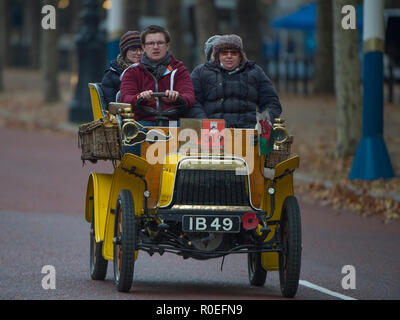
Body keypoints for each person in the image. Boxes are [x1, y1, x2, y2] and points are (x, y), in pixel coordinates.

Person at [188, 34, 282, 128]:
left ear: (240, 55)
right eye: (224, 53)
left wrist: (263, 122)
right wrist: (204, 123)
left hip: (248, 130)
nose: (229, 56)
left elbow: (272, 103)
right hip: (212, 132)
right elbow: (192, 102)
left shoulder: (255, 72)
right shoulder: (201, 72)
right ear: (218, 55)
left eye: (234, 53)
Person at [120, 25, 195, 126]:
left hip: (173, 122)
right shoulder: (132, 72)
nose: (155, 47)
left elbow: (190, 97)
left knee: (190, 133)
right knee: (134, 133)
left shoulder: (179, 70)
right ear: (143, 47)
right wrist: (140, 97)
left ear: (167, 45)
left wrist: (177, 97)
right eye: (151, 43)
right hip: (142, 123)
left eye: (160, 43)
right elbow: (125, 99)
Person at [101, 31, 142, 106]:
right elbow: (112, 105)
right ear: (124, 51)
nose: (139, 53)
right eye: (133, 49)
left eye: (141, 49)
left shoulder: (150, 71)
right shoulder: (112, 75)